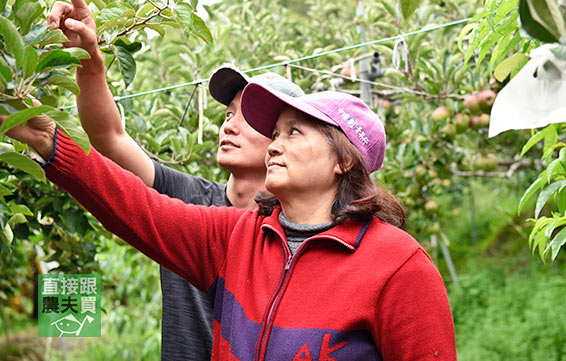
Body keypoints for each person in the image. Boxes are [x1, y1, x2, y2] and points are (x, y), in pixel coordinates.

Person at [2, 83, 457, 360]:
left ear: (343, 159)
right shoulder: (234, 236)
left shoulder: (397, 267)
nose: (275, 145)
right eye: (274, 134)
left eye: (294, 132)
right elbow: (137, 208)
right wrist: (49, 142)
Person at [45, 0, 304, 359]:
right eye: (228, 114)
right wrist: (90, 63)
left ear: (281, 137)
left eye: (247, 117)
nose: (229, 125)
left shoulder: (300, 232)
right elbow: (110, 137)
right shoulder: (187, 201)